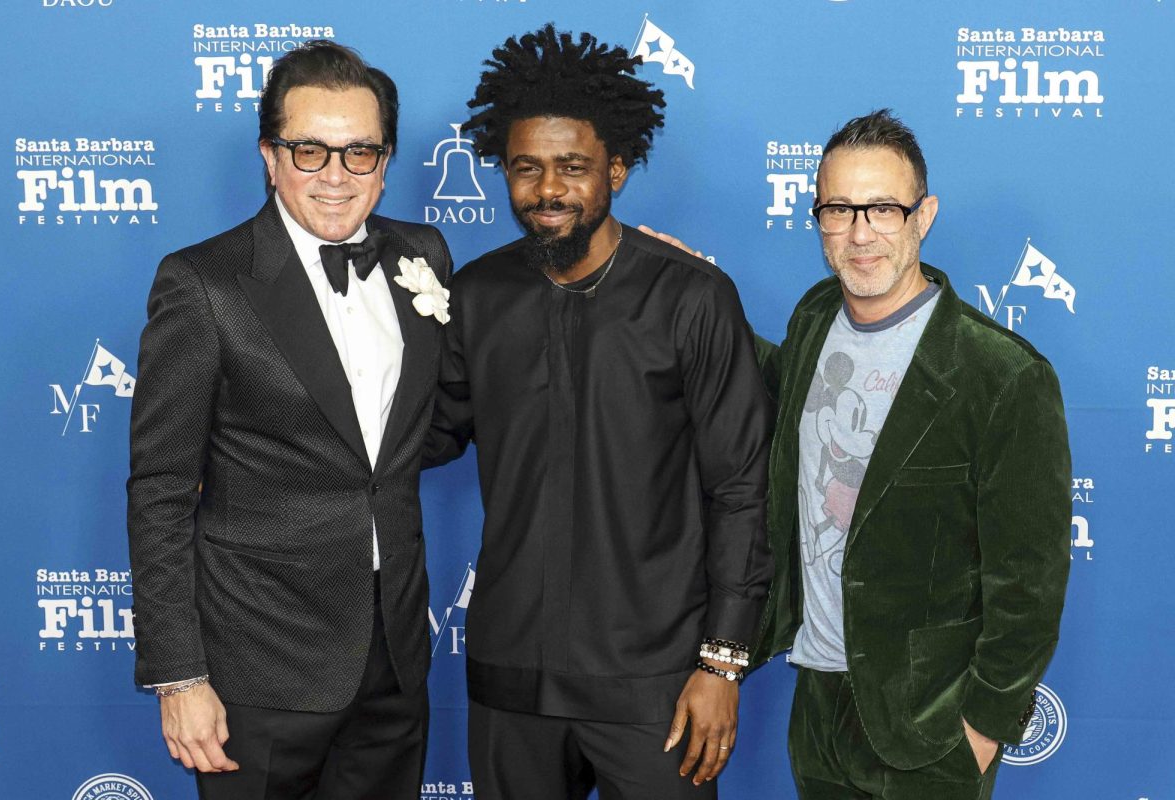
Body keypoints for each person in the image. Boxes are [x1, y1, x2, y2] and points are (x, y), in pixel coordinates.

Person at [425, 25, 774, 800]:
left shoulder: (692, 298)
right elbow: (421, 437)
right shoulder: (476, 296)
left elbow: (742, 490)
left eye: (573, 167)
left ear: (615, 168)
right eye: (526, 168)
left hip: (654, 686)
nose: (548, 189)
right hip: (510, 679)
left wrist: (722, 662)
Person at [127, 40, 452, 800]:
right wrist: (180, 676)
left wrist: (634, 269)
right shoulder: (204, 283)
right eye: (310, 150)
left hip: (396, 656)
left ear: (386, 158)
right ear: (270, 156)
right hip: (258, 665)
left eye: (359, 153)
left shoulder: (423, 254)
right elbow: (162, 490)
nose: (335, 176)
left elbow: (445, 414)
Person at [751, 109, 1071, 799]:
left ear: (923, 216)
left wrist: (981, 728)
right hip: (817, 705)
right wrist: (676, 282)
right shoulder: (813, 318)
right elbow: (765, 393)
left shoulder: (1001, 374)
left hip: (930, 731)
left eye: (884, 209)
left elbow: (1030, 580)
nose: (861, 232)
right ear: (817, 217)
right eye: (839, 208)